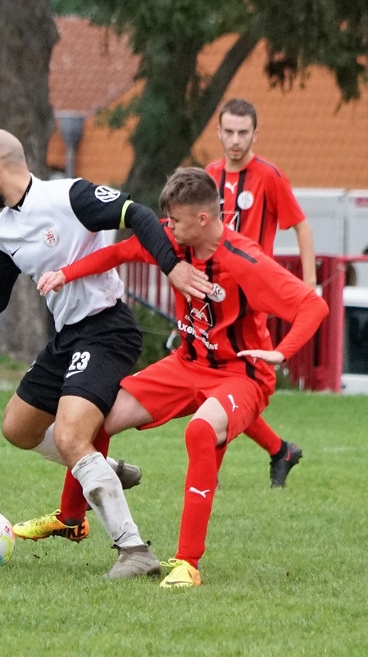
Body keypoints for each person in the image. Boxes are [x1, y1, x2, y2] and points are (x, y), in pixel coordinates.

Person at [0, 129, 211, 580]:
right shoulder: (3, 231)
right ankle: (100, 467)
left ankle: (133, 549)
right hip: (67, 336)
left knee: (73, 437)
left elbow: (138, 213)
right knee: (18, 427)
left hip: (108, 330)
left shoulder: (68, 196)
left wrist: (171, 268)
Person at [36, 167, 328, 587]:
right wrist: (67, 273)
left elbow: (313, 306)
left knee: (200, 432)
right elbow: (117, 254)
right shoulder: (172, 242)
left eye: (174, 219)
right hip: (186, 364)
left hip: (241, 375)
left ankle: (188, 563)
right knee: (96, 416)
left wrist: (282, 352)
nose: (166, 227)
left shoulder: (244, 260)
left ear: (203, 219)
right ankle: (71, 518)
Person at [207, 97, 314, 486]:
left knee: (229, 380)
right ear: (218, 132)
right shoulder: (208, 176)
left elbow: (300, 225)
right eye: (229, 132)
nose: (235, 140)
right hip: (214, 295)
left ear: (255, 134)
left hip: (250, 300)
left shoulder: (269, 176)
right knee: (219, 379)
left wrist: (308, 283)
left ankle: (210, 472)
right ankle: (280, 450)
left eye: (243, 132)